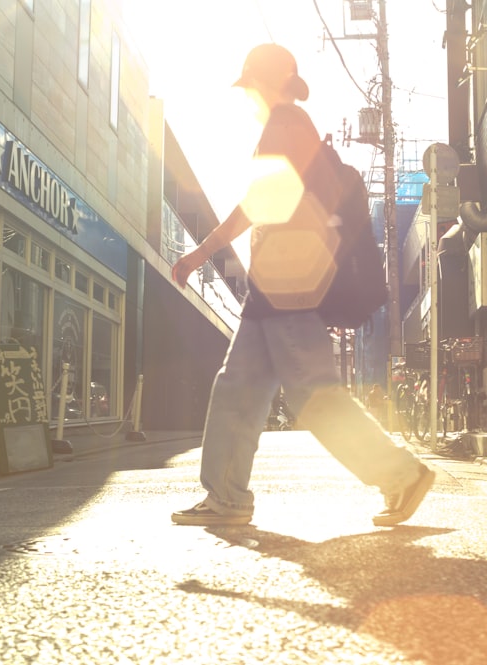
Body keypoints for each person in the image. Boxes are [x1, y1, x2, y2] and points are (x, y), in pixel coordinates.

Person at [170, 43, 434, 528]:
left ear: (263, 82)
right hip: (274, 286)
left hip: (288, 285)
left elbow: (257, 204)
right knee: (237, 390)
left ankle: (401, 475)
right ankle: (225, 496)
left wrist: (200, 253)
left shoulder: (285, 126)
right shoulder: (291, 127)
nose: (246, 95)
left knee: (314, 394)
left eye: (249, 84)